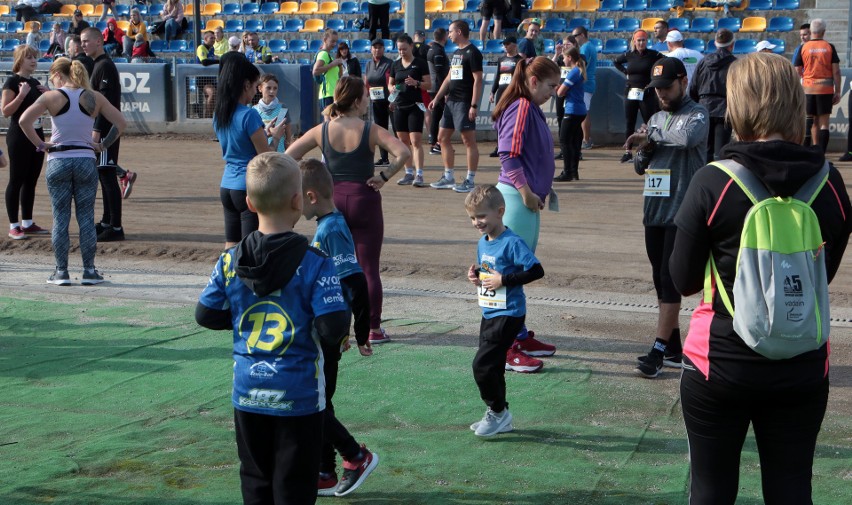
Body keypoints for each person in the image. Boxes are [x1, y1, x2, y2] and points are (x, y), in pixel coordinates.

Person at [670, 52, 852, 505]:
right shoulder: (830, 182)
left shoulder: (714, 181)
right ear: (795, 101)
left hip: (720, 361)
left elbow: (683, 280)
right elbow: (820, 276)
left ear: (737, 105)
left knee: (711, 491)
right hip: (803, 361)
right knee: (792, 489)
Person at [195, 151, 351, 505]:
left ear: (249, 203)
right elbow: (332, 327)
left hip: (247, 392)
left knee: (255, 481)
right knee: (294, 488)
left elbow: (205, 314)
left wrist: (239, 315)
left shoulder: (229, 260)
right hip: (297, 395)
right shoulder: (316, 263)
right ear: (298, 201)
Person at [287, 76, 412, 345]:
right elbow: (403, 152)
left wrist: (307, 180)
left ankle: (337, 324)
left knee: (332, 268)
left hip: (332, 202)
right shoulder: (370, 129)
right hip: (364, 199)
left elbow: (288, 156)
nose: (368, 101)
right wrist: (385, 176)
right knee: (368, 269)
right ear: (356, 101)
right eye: (365, 97)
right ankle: (373, 329)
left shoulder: (322, 129)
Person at [623, 57, 708, 378]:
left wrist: (651, 138)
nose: (661, 94)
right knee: (659, 277)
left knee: (670, 279)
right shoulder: (656, 116)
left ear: (683, 82)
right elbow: (640, 167)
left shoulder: (697, 113)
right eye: (657, 89)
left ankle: (659, 348)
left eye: (667, 87)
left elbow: (686, 140)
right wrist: (642, 149)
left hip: (682, 211)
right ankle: (673, 348)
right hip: (655, 210)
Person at [299, 158, 378, 498]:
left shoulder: (330, 230)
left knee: (318, 403)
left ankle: (354, 457)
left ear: (311, 196)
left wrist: (356, 332)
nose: (293, 203)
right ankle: (324, 471)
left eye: (295, 196)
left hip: (329, 331)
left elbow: (355, 282)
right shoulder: (328, 225)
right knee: (320, 401)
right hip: (327, 327)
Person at [18, 57, 125, 284]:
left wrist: (40, 143)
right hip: (85, 158)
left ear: (58, 74)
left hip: (58, 159)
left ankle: (61, 271)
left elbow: (24, 121)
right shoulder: (93, 97)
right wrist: (103, 145)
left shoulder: (51, 96)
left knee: (61, 218)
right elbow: (121, 123)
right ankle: (88, 270)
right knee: (86, 218)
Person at [492, 56, 560, 371]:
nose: (553, 92)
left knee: (516, 273)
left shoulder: (529, 108)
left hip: (525, 202)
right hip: (517, 201)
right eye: (550, 85)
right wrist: (525, 191)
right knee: (507, 274)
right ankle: (503, 347)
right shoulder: (520, 107)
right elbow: (508, 154)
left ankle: (516, 335)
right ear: (533, 81)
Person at [465, 185, 545, 436]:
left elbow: (535, 270)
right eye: (472, 217)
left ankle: (497, 412)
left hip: (509, 313)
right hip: (489, 311)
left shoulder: (512, 242)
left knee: (482, 366)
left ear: (500, 212)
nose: (477, 222)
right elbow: (489, 270)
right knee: (493, 364)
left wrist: (504, 280)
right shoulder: (483, 241)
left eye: (481, 216)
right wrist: (477, 276)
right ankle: (501, 414)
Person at [213, 52, 287, 248]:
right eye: (255, 87)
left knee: (231, 244)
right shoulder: (250, 115)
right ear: (246, 85)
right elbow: (266, 156)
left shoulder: (220, 114)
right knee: (250, 246)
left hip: (227, 185)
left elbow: (239, 142)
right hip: (247, 186)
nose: (255, 91)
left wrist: (266, 133)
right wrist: (276, 136)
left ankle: (227, 278)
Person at [82, 27, 135, 241]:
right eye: (82, 41)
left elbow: (106, 104)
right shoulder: (99, 65)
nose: (83, 44)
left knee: (107, 176)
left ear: (98, 42)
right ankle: (107, 221)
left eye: (87, 41)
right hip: (103, 131)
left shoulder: (104, 66)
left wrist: (96, 131)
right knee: (104, 175)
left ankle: (115, 227)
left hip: (105, 132)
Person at [428, 20, 483, 193]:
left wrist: (474, 105)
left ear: (459, 32)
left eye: (450, 31)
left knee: (468, 141)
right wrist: (437, 98)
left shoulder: (473, 52)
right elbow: (449, 78)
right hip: (450, 102)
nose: (449, 34)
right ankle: (448, 176)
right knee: (442, 137)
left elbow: (478, 80)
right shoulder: (457, 53)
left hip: (464, 102)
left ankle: (470, 180)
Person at [2, 45, 47, 240]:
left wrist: (48, 94)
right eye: (29, 57)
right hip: (19, 136)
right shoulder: (13, 82)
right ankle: (14, 225)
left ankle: (27, 222)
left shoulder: (36, 82)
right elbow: (5, 111)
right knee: (17, 179)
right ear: (20, 59)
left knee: (31, 179)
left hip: (36, 134)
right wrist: (21, 96)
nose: (33, 60)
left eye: (35, 57)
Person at [614, 30, 663, 164]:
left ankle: (651, 150)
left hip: (646, 93)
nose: (641, 43)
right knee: (630, 122)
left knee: (649, 122)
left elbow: (664, 62)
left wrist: (654, 79)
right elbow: (616, 62)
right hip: (631, 92)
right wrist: (625, 72)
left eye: (643, 40)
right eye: (639, 40)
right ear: (634, 41)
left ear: (647, 41)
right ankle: (628, 151)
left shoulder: (653, 55)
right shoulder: (629, 55)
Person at [388, 34, 431, 187]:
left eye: (404, 49)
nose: (401, 52)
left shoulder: (420, 63)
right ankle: (408, 172)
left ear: (411, 46)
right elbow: (390, 83)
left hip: (415, 105)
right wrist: (391, 89)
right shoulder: (395, 64)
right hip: (399, 105)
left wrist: (416, 82)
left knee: (416, 141)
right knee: (403, 141)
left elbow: (429, 84)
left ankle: (419, 174)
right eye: (399, 49)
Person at [794, 19, 841, 154]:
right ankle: (821, 154)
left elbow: (797, 70)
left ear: (811, 32)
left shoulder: (803, 47)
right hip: (825, 90)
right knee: (824, 124)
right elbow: (836, 71)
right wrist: (837, 91)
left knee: (811, 121)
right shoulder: (829, 47)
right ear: (824, 32)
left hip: (808, 89)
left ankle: (811, 151)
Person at [688, 28, 736, 162]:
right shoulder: (735, 64)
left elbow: (692, 88)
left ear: (715, 43)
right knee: (722, 151)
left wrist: (696, 107)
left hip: (704, 108)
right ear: (732, 45)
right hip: (725, 110)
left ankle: (704, 178)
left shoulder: (703, 62)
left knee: (705, 150)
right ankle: (720, 180)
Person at [554, 47, 587, 182]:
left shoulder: (573, 72)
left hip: (572, 110)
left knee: (565, 141)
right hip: (580, 110)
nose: (563, 60)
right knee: (574, 142)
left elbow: (560, 93)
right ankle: (574, 172)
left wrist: (557, 88)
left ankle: (567, 172)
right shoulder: (579, 71)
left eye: (564, 57)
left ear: (570, 58)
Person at [488, 36, 522, 158]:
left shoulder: (519, 60)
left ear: (514, 45)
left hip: (513, 94)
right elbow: (498, 76)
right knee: (499, 120)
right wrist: (492, 92)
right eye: (504, 44)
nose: (505, 46)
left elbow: (521, 79)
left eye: (508, 44)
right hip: (501, 93)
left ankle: (512, 146)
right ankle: (499, 146)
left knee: (512, 120)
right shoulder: (501, 59)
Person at [363, 38, 393, 166]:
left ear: (383, 49)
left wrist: (393, 100)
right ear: (371, 49)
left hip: (390, 101)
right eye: (375, 47)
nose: (377, 49)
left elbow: (393, 82)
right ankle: (384, 158)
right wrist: (364, 96)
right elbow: (367, 81)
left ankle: (402, 156)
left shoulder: (389, 63)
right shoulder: (369, 64)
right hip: (376, 102)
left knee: (397, 130)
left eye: (380, 47)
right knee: (380, 130)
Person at [552, 35, 577, 161]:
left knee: (572, 122)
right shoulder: (562, 59)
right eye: (564, 44)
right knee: (560, 118)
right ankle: (563, 149)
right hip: (560, 91)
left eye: (568, 44)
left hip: (572, 92)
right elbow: (549, 66)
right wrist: (557, 54)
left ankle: (574, 148)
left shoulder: (577, 59)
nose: (565, 46)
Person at [571, 26, 596, 150]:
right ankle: (586, 139)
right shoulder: (588, 46)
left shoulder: (585, 48)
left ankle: (586, 140)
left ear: (582, 35)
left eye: (575, 36)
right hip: (588, 84)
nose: (574, 39)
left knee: (584, 112)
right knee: (584, 112)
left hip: (586, 84)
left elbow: (581, 65)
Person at [253, 74, 293, 153]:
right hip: (261, 153)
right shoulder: (254, 110)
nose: (272, 91)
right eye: (268, 88)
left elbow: (288, 131)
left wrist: (288, 144)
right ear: (260, 88)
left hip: (279, 152)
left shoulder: (282, 108)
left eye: (275, 88)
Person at [426, 27, 449, 156]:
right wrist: (445, 92)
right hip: (438, 88)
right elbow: (440, 73)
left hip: (433, 88)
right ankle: (438, 143)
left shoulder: (432, 49)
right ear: (444, 37)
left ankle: (434, 142)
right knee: (444, 116)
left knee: (436, 116)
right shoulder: (438, 51)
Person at [313, 29, 344, 114]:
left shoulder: (328, 55)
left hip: (332, 93)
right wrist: (332, 65)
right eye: (332, 41)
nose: (334, 44)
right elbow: (315, 70)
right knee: (329, 122)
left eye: (336, 42)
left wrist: (339, 66)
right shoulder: (323, 54)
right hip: (327, 94)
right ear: (325, 40)